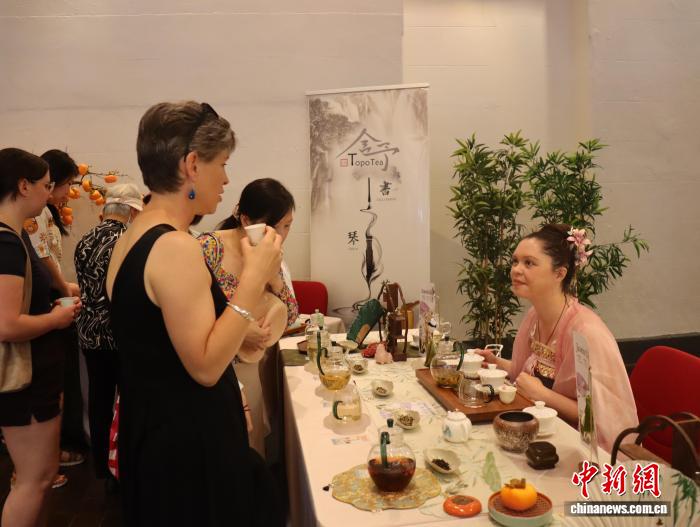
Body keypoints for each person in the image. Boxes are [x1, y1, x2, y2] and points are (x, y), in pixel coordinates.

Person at [106, 101, 285, 526]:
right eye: (221, 164)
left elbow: (165, 344)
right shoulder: (174, 247)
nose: (225, 179)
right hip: (188, 448)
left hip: (153, 433)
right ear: (191, 165)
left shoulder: (131, 236)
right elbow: (204, 367)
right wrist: (254, 277)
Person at [477, 224, 638, 452]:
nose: (516, 270)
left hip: (588, 450)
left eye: (529, 263)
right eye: (515, 261)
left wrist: (542, 395)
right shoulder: (534, 316)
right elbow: (530, 372)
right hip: (543, 431)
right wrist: (495, 362)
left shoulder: (586, 332)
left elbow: (598, 418)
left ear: (559, 273)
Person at [0, 148, 80, 526]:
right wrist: (56, 318)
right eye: (46, 186)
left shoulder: (15, 237)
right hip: (25, 381)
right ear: (23, 186)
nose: (50, 194)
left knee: (42, 477)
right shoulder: (7, 243)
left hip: (36, 375)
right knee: (32, 480)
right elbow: (7, 324)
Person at [199, 178, 298, 456]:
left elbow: (291, 315)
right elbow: (192, 313)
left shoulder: (270, 255)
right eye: (276, 226)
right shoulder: (209, 248)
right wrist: (242, 329)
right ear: (245, 220)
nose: (281, 235)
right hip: (215, 371)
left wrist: (275, 280)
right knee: (222, 450)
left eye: (288, 226)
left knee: (251, 449)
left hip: (249, 368)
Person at [74, 183, 143, 491]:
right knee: (127, 401)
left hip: (89, 332)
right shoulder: (128, 240)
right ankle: (125, 468)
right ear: (132, 211)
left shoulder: (85, 240)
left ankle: (102, 467)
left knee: (99, 399)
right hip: (120, 334)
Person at [29, 149, 86, 474]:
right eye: (66, 185)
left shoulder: (46, 213)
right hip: (49, 303)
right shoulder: (36, 214)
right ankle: (43, 461)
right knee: (53, 380)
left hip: (54, 296)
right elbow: (43, 257)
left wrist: (66, 286)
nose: (66, 192)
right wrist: (65, 289)